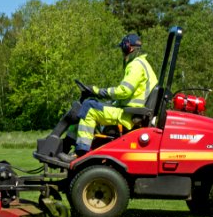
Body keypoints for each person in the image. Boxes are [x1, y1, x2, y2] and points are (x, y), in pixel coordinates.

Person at [58, 34, 158, 162]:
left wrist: (98, 91)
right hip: (131, 112)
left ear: (129, 48)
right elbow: (132, 94)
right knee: (89, 105)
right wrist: (111, 101)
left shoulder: (136, 65)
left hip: (128, 115)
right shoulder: (144, 64)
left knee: (88, 108)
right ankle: (67, 146)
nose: (122, 53)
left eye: (123, 49)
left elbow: (124, 91)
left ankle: (80, 153)